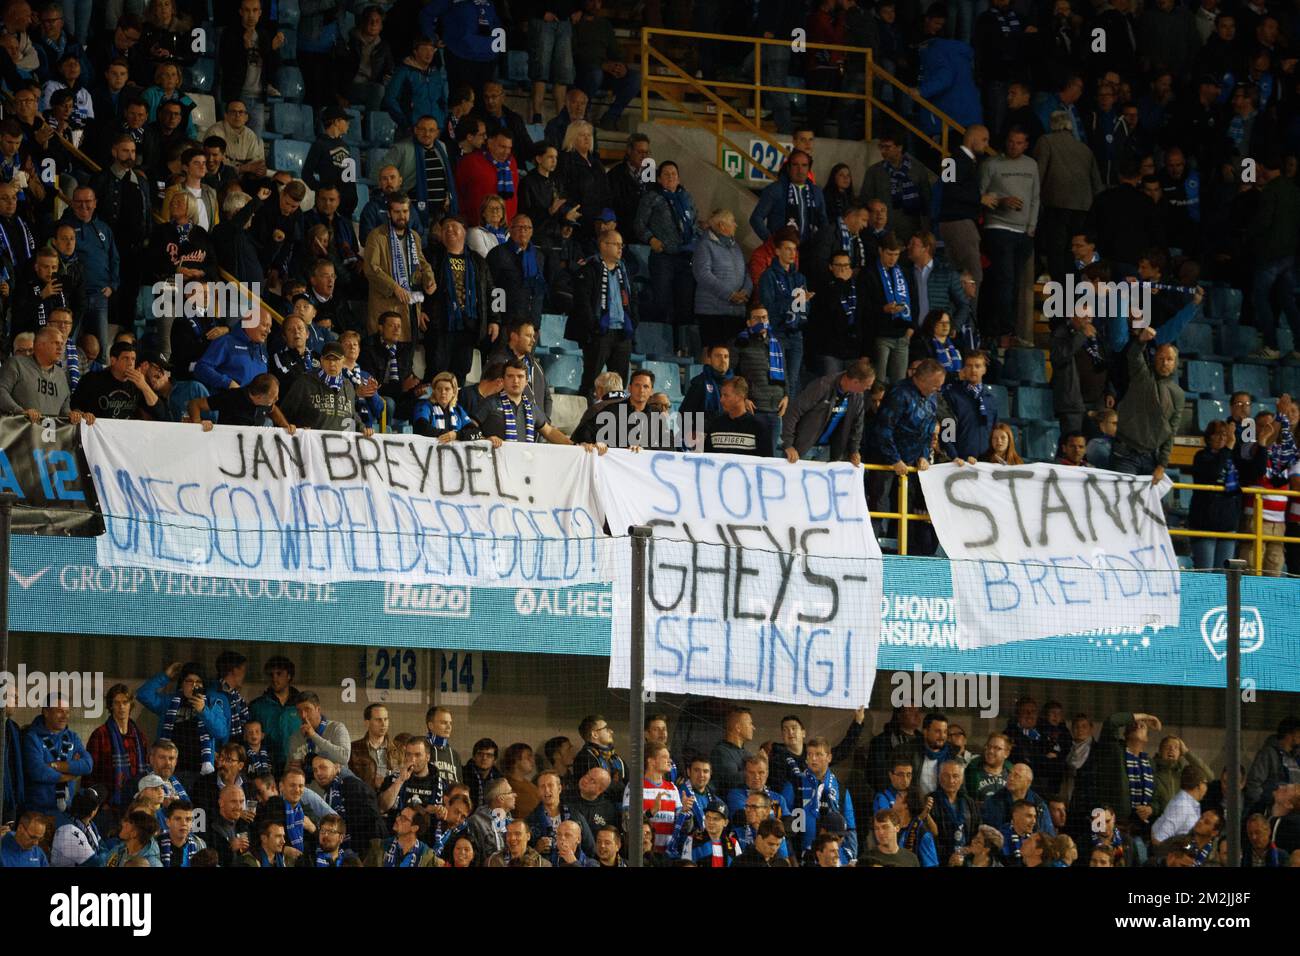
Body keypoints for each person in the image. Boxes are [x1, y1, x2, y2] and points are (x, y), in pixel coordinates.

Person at [569, 229, 636, 399]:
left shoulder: (624, 270)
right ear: (603, 245)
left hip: (622, 333)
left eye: (622, 245)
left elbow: (632, 300)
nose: (621, 249)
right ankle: (585, 418)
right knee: (590, 380)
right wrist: (593, 326)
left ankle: (615, 420)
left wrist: (633, 321)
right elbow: (582, 302)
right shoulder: (590, 268)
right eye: (616, 244)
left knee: (619, 383)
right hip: (599, 332)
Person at [362, 194, 437, 344]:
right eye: (397, 212)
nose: (401, 216)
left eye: (405, 211)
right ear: (389, 214)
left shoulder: (414, 236)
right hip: (386, 307)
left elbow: (422, 263)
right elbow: (371, 268)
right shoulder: (377, 236)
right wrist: (394, 287)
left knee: (406, 357)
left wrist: (429, 279)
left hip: (410, 308)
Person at [1112, 328, 1183, 483]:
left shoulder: (1178, 394)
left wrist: (1162, 465)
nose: (1165, 363)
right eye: (1161, 358)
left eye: (1169, 359)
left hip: (1152, 457)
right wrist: (1140, 341)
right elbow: (1134, 356)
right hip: (1125, 453)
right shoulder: (1141, 375)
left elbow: (1171, 431)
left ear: (1175, 363)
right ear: (1154, 359)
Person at [781, 358, 873, 464]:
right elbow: (793, 412)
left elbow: (857, 425)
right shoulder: (822, 386)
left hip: (827, 451)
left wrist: (854, 450)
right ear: (855, 382)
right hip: (803, 448)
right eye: (867, 386)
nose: (869, 389)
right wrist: (788, 444)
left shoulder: (857, 395)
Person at [22, 699, 94, 814]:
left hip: (66, 811)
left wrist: (55, 765)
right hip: (38, 812)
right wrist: (70, 774)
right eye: (60, 711)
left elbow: (87, 765)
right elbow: (38, 771)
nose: (65, 716)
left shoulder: (73, 737)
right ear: (46, 712)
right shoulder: (32, 737)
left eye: (67, 712)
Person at [0, 325, 83, 423]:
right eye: (56, 343)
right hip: (18, 434)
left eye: (61, 344)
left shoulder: (61, 374)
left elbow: (64, 407)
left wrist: (71, 415)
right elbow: (2, 390)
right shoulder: (16, 363)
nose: (61, 348)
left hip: (49, 436)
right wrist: (20, 411)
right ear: (40, 345)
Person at [861, 133, 932, 244]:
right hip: (883, 230)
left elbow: (926, 200)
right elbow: (865, 200)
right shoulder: (874, 171)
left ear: (899, 147)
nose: (883, 151)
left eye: (887, 147)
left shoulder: (917, 170)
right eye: (881, 147)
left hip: (912, 229)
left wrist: (926, 229)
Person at [749, 149, 826, 245]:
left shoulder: (816, 192)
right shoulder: (775, 189)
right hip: (782, 252)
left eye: (804, 165)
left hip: (809, 253)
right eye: (795, 165)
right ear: (788, 168)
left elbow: (823, 222)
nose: (800, 169)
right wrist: (772, 242)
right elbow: (756, 218)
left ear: (809, 169)